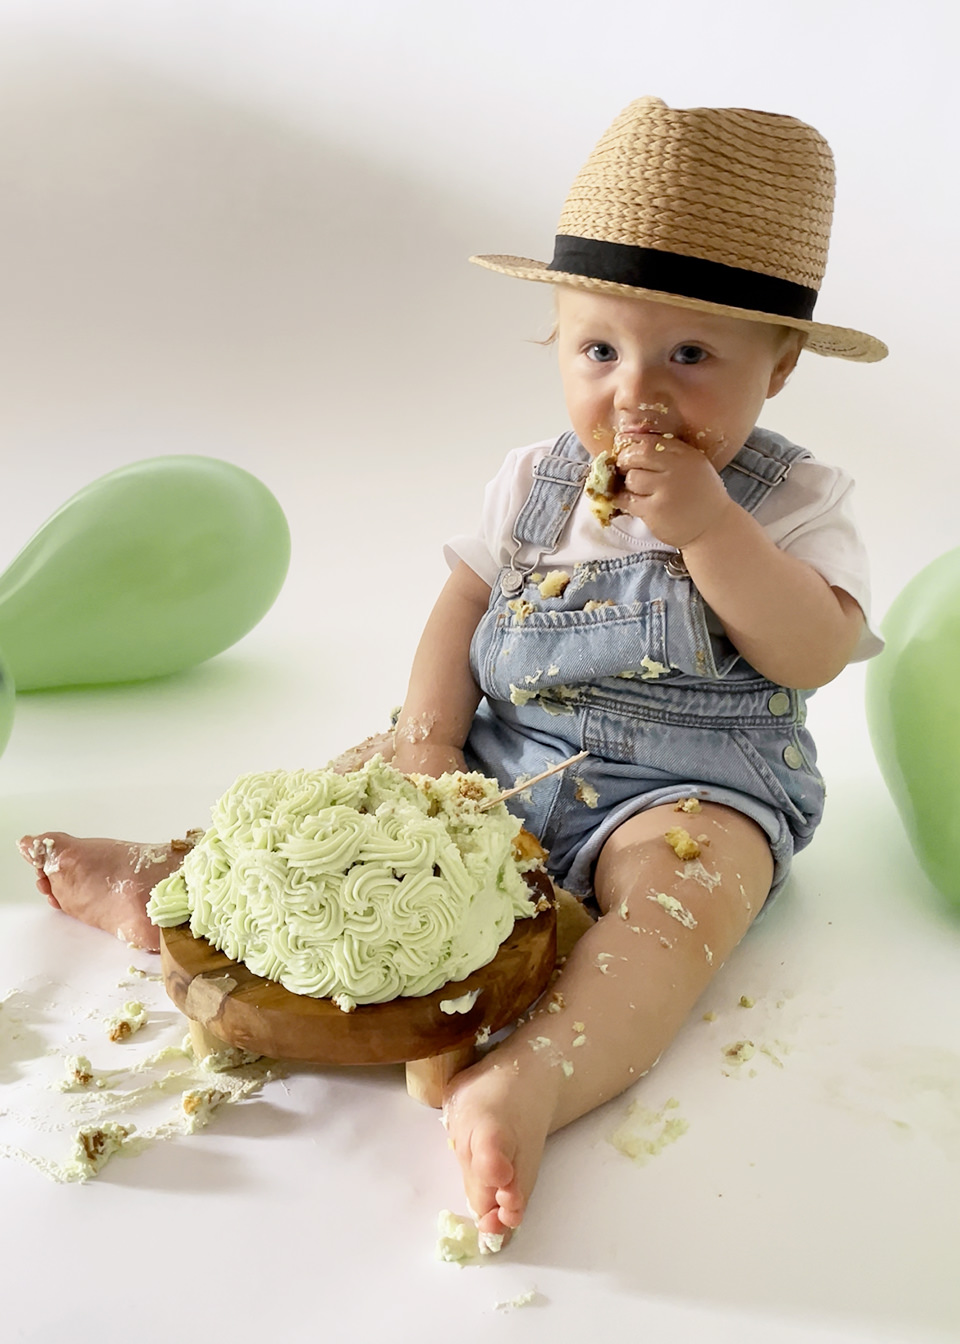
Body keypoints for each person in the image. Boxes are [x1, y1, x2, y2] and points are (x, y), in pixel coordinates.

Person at [20, 96, 885, 1245]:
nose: (637, 391)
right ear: (558, 339)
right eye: (598, 349)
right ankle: (184, 892)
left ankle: (533, 1074)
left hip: (692, 787)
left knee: (673, 915)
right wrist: (427, 739)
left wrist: (716, 533)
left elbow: (812, 651)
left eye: (690, 355)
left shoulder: (795, 501)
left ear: (777, 368)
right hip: (499, 753)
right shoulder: (533, 479)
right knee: (339, 803)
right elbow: (464, 604)